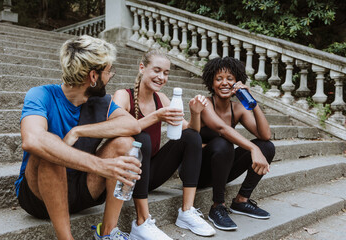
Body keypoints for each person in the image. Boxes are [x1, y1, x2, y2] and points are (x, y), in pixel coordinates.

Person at [14, 35, 142, 240]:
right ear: (93, 76)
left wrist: (78, 131)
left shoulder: (101, 102)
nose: (111, 76)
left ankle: (109, 232)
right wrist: (100, 166)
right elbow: (32, 139)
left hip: (81, 189)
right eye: (109, 72)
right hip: (39, 196)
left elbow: (132, 125)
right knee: (51, 149)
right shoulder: (41, 95)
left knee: (125, 143)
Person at [113, 49, 216, 239]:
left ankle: (187, 211)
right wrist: (156, 117)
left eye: (166, 73)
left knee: (192, 137)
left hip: (151, 173)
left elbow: (191, 131)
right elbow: (114, 129)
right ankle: (141, 222)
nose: (161, 77)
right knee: (140, 139)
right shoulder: (123, 95)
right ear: (142, 68)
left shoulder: (162, 99)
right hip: (126, 173)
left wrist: (195, 113)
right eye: (157, 70)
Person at [198, 57, 275, 231]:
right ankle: (217, 206)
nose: (224, 83)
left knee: (267, 146)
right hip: (198, 171)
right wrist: (252, 148)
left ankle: (241, 200)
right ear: (211, 82)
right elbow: (221, 128)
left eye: (230, 79)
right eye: (219, 79)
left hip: (222, 169)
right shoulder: (204, 103)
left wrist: (251, 100)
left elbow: (265, 134)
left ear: (237, 82)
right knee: (222, 142)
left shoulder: (238, 109)